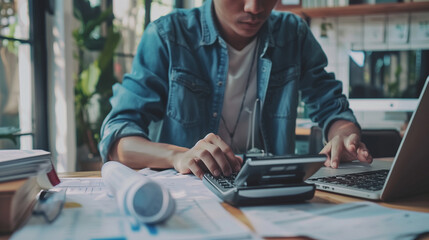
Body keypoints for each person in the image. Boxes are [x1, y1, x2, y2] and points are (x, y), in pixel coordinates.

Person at [99, 0, 372, 179]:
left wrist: (345, 138)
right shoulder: (168, 36)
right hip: (191, 196)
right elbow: (117, 142)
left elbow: (333, 108)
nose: (254, 8)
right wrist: (177, 155)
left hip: (271, 195)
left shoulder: (293, 33)